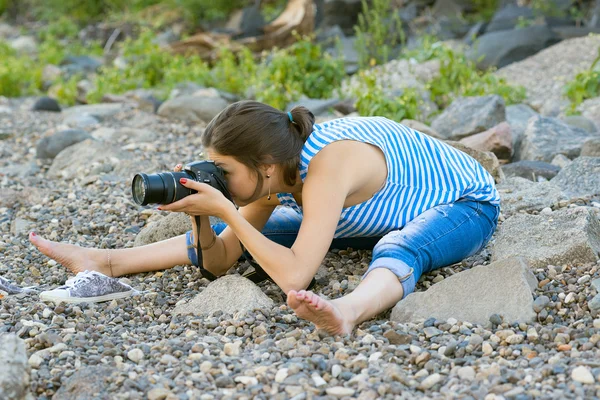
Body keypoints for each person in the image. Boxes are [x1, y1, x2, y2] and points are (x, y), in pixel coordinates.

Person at [29, 100, 500, 335]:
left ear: (265, 168)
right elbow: (218, 263)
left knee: (399, 247)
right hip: (365, 215)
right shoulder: (275, 170)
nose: (219, 178)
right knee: (260, 230)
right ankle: (106, 262)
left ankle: (350, 311)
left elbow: (297, 275)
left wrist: (228, 214)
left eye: (225, 171)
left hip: (462, 206)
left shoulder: (326, 167)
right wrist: (205, 216)